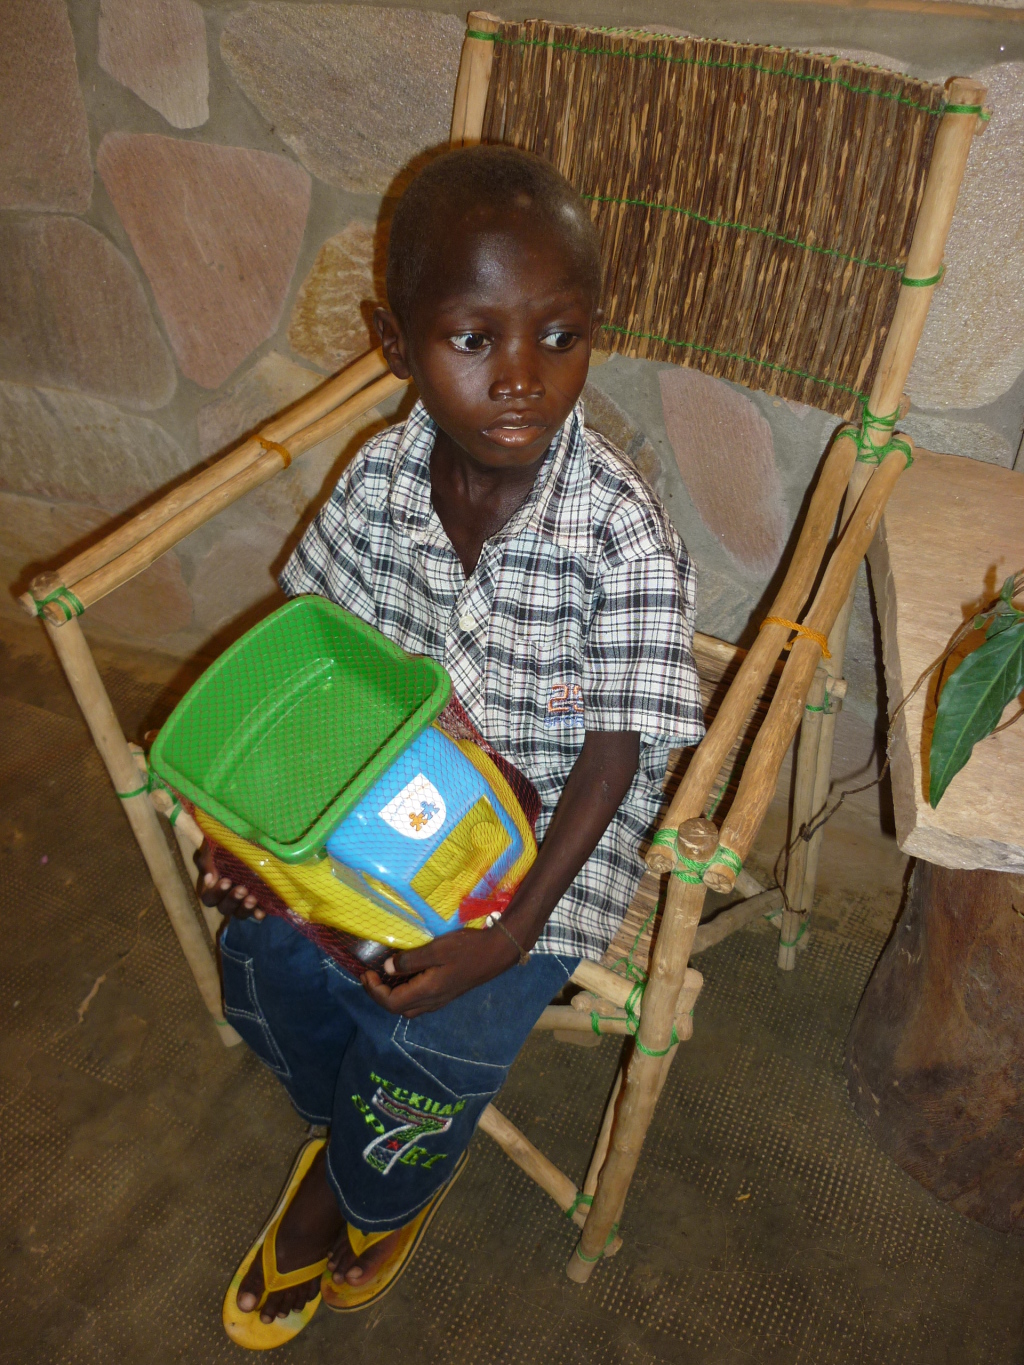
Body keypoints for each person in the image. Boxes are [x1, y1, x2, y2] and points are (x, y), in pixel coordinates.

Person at [200, 144, 704, 1349]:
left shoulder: (619, 532)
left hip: (545, 856)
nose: (521, 377)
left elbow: (614, 760)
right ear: (393, 342)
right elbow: (321, 659)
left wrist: (513, 933)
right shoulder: (379, 481)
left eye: (560, 336)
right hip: (376, 808)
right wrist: (255, 838)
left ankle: (365, 1192)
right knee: (264, 956)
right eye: (473, 339)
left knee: (429, 1036)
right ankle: (345, 1129)